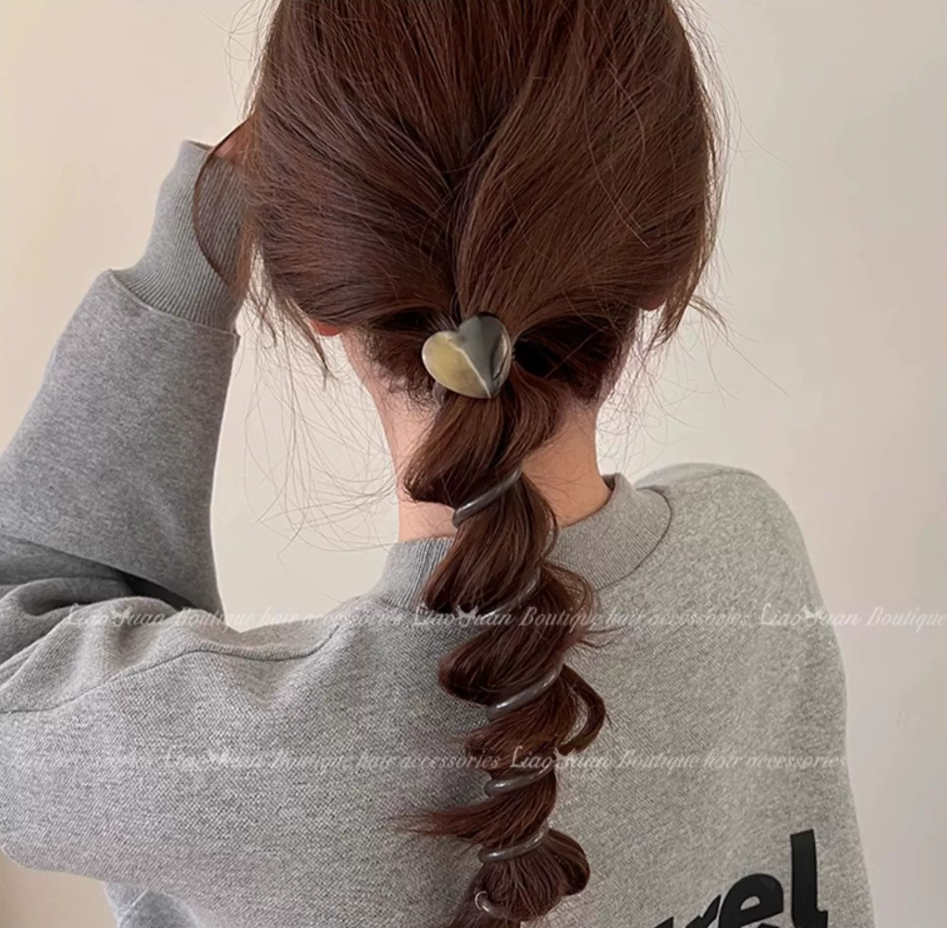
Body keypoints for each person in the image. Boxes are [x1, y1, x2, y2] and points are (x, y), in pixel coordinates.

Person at [0, 2, 874, 927]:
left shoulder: (235, 760)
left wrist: (200, 234)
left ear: (322, 294)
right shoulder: (749, 553)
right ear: (661, 264)